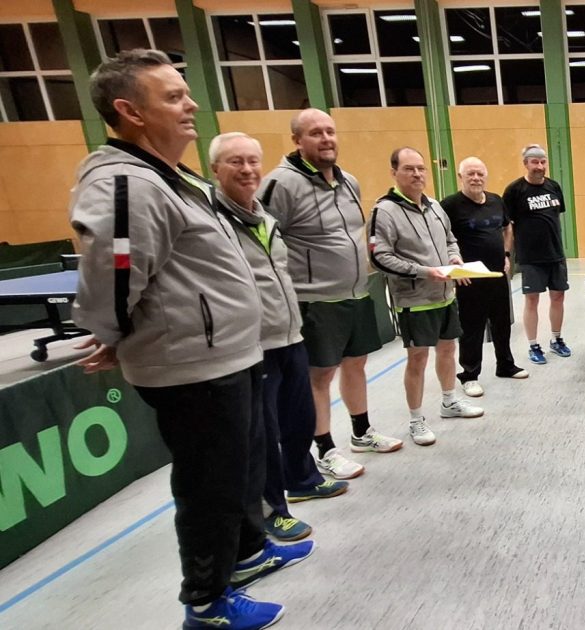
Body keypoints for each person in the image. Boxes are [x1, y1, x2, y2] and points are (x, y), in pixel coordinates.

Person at [70, 49, 310, 629]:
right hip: (191, 367)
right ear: (130, 111)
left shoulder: (173, 176)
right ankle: (206, 602)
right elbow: (114, 271)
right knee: (210, 488)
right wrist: (111, 332)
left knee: (243, 470)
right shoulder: (125, 182)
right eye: (174, 96)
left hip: (230, 355)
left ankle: (247, 555)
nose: (191, 105)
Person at [209, 132, 351, 543]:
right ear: (215, 169)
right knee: (263, 434)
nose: (247, 170)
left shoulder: (264, 217)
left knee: (298, 420)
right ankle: (272, 511)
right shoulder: (214, 221)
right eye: (236, 162)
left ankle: (302, 479)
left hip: (289, 333)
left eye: (253, 161)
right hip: (254, 345)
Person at [260, 108, 399, 480]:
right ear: (297, 140)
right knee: (319, 376)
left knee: (356, 364)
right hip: (315, 299)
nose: (326, 139)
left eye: (330, 131)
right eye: (315, 133)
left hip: (355, 292)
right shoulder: (280, 184)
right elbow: (263, 242)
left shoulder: (348, 181)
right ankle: (324, 449)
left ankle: (361, 432)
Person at [369, 147, 485, 444]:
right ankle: (416, 420)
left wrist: (455, 258)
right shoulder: (384, 211)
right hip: (414, 300)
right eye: (409, 169)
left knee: (448, 350)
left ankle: (449, 402)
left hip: (445, 294)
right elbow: (380, 257)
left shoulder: (434, 206)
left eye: (420, 168)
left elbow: (450, 240)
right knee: (417, 359)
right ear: (394, 172)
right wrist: (424, 271)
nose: (417, 174)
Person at [440, 157, 527, 396]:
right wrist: (454, 269)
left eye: (480, 174)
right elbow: (440, 239)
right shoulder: (449, 206)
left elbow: (507, 227)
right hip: (468, 278)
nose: (476, 178)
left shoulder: (496, 200)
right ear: (461, 177)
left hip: (497, 274)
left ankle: (505, 365)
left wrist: (507, 254)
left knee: (502, 323)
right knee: (472, 327)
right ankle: (469, 375)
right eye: (471, 174)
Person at [503, 144, 572, 365]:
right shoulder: (514, 190)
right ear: (526, 163)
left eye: (543, 161)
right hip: (530, 257)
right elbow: (507, 225)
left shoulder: (554, 186)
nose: (540, 166)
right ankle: (533, 345)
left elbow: (556, 216)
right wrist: (507, 254)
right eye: (535, 162)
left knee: (558, 297)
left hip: (556, 254)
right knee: (532, 300)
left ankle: (556, 339)